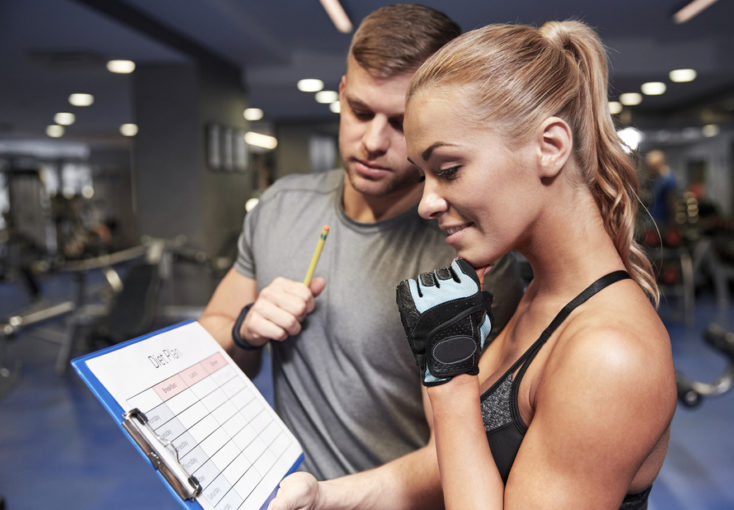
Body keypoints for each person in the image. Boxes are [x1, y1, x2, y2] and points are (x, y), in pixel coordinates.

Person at [271, 19, 676, 510]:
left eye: (448, 170)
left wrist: (450, 385)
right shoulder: (545, 297)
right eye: (424, 176)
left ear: (549, 147)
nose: (426, 203)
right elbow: (458, 464)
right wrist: (324, 498)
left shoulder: (610, 353)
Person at [198, 4, 523, 482]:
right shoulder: (282, 204)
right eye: (360, 111)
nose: (372, 141)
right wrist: (245, 330)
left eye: (398, 122)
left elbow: (459, 459)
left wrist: (329, 498)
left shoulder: (471, 257)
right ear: (343, 93)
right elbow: (212, 336)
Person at [645, 149, 679, 226]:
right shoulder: (658, 178)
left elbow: (673, 202)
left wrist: (673, 222)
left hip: (663, 221)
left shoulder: (669, 179)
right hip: (654, 218)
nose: (650, 170)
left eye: (651, 167)